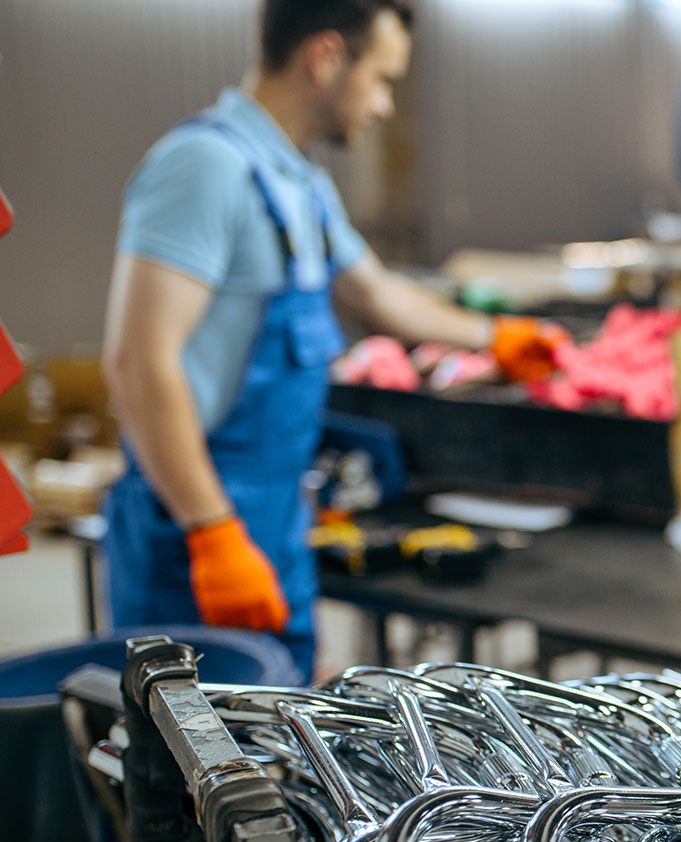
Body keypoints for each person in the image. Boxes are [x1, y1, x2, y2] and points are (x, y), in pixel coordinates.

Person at [101, 0, 564, 678]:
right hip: (193, 530)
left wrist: (492, 338)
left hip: (277, 518)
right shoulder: (203, 168)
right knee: (194, 770)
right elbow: (138, 361)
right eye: (381, 78)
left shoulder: (301, 186)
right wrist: (211, 529)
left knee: (278, 753)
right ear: (323, 58)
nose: (383, 105)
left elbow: (373, 295)